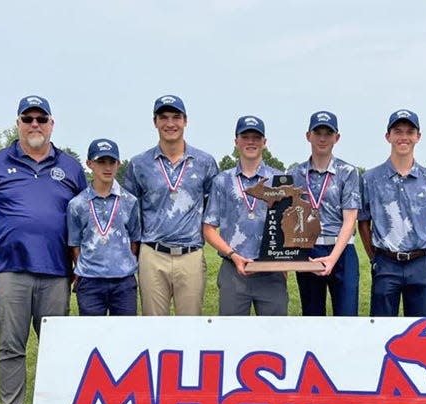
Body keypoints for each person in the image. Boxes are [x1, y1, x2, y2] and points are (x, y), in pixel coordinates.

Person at [0, 95, 87, 404]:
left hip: (57, 272)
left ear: (51, 124)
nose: (34, 124)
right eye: (27, 118)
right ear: (18, 123)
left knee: (56, 347)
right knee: (11, 345)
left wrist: (83, 263)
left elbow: (85, 216)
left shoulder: (71, 167)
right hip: (9, 270)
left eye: (41, 118)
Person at [122, 95, 218, 316]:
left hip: (190, 253)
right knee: (154, 328)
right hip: (153, 254)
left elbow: (212, 208)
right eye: (163, 118)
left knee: (191, 327)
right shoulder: (139, 164)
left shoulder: (205, 162)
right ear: (155, 122)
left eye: (176, 117)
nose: (170, 123)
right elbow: (130, 214)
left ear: (185, 121)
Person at [358, 109, 426, 317]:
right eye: (398, 131)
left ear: (418, 136)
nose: (404, 137)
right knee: (381, 327)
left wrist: (422, 243)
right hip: (385, 262)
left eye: (409, 132)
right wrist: (374, 256)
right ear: (388, 136)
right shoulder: (370, 179)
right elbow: (363, 222)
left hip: (420, 263)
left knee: (421, 328)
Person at [203, 116, 287, 316]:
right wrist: (233, 255)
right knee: (231, 338)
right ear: (236, 141)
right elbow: (208, 228)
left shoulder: (279, 180)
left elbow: (288, 228)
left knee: (274, 336)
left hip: (271, 271)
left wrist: (285, 263)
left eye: (256, 138)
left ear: (264, 143)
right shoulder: (222, 181)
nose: (251, 142)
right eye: (245, 136)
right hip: (233, 271)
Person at [288, 111, 361, 316]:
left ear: (336, 138)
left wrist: (332, 258)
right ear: (308, 135)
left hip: (342, 252)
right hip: (308, 251)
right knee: (312, 317)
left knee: (347, 318)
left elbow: (350, 219)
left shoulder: (348, 172)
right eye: (317, 132)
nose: (322, 138)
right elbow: (289, 219)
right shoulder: (295, 173)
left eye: (328, 133)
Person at [67, 138, 141, 316]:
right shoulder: (77, 204)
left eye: (112, 162)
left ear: (118, 164)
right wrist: (84, 268)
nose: (107, 168)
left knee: (125, 337)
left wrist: (123, 263)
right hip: (90, 281)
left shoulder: (129, 201)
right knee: (93, 336)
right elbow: (75, 243)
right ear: (90, 164)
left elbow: (134, 239)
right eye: (101, 162)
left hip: (123, 281)